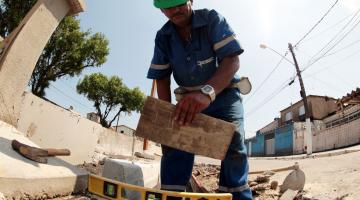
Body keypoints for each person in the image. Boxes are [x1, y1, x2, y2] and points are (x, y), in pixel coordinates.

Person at [147, 0, 253, 199]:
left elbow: (232, 60)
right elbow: (161, 76)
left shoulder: (211, 19)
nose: (175, 10)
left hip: (224, 92)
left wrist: (207, 93)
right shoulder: (163, 37)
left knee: (233, 139)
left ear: (191, 1)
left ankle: (236, 195)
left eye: (179, 3)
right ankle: (172, 194)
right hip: (188, 99)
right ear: (161, 10)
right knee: (175, 140)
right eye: (168, 7)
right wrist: (166, 114)